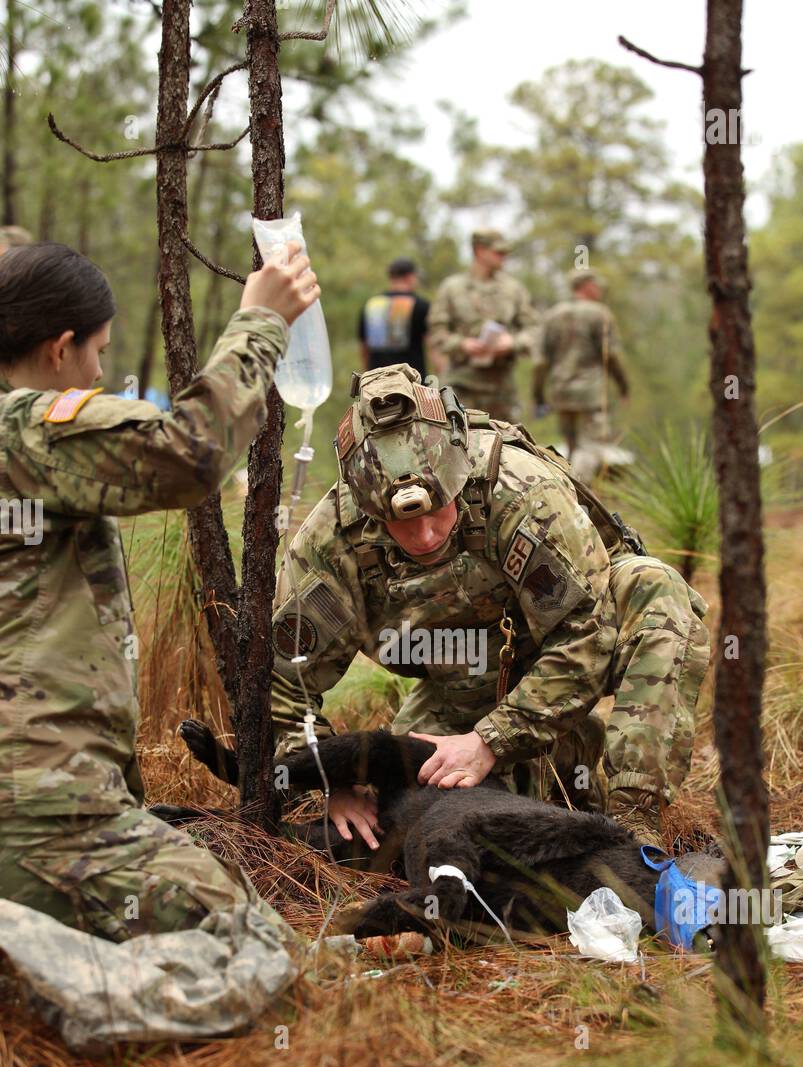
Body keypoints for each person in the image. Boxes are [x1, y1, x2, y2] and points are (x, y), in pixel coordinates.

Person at [0, 239, 319, 947]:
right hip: (44, 820)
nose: (102, 371)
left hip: (46, 805)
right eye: (100, 352)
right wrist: (261, 322)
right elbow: (189, 454)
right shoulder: (24, 430)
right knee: (258, 952)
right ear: (59, 350)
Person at [268, 364, 710, 852]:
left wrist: (490, 741)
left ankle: (635, 824)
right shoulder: (334, 539)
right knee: (421, 815)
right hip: (463, 676)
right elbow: (286, 678)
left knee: (656, 589)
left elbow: (587, 633)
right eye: (401, 524)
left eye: (437, 511)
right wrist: (333, 783)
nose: (425, 536)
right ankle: (569, 753)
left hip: (566, 646)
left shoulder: (520, 490)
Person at [427, 229, 538, 421]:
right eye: (498, 253)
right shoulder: (452, 288)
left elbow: (534, 330)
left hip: (502, 389)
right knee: (461, 444)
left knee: (506, 445)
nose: (504, 257)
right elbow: (436, 332)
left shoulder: (513, 289)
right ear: (479, 251)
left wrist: (513, 342)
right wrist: (462, 344)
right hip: (462, 384)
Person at [533, 267, 630, 481]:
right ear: (587, 286)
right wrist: (623, 386)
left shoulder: (552, 316)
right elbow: (611, 355)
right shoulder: (600, 314)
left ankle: (563, 489)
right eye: (597, 286)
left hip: (560, 392)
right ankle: (578, 494)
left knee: (571, 447)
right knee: (591, 446)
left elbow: (540, 361)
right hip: (590, 393)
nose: (599, 290)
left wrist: (539, 397)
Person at [358, 257, 430, 377]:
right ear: (410, 277)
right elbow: (432, 345)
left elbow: (364, 348)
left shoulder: (371, 305)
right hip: (412, 383)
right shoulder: (421, 305)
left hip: (377, 382)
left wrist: (367, 374)